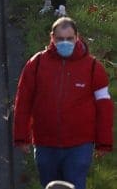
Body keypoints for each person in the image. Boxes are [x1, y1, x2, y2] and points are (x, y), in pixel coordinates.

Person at [14, 17, 113, 189]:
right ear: (52, 37)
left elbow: (104, 107)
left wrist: (104, 142)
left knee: (75, 184)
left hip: (79, 145)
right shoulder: (36, 64)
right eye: (60, 39)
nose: (65, 43)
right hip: (46, 143)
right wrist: (21, 137)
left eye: (69, 38)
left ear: (77, 37)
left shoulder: (93, 68)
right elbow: (23, 100)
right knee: (50, 185)